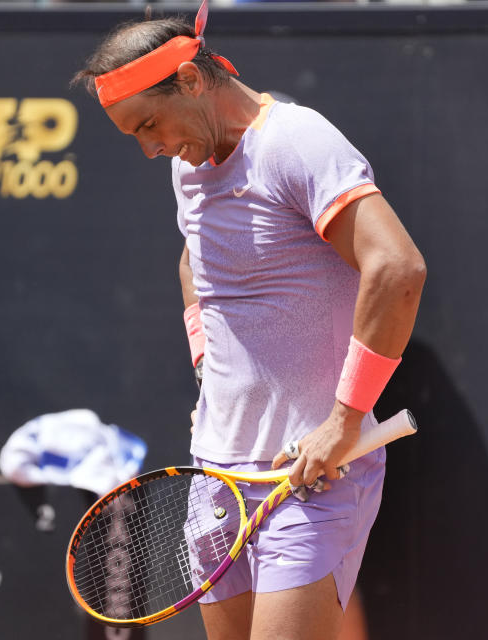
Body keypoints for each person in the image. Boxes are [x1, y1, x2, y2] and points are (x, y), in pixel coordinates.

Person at [73, 2, 425, 638]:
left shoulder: (295, 140)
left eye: (150, 125)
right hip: (217, 478)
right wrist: (209, 366)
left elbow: (397, 269)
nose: (152, 149)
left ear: (190, 80)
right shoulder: (191, 166)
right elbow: (195, 262)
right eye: (137, 137)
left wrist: (344, 422)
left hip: (310, 479)